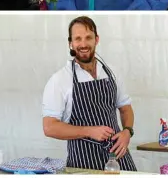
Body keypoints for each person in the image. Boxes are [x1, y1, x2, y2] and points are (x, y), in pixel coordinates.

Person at [42, 16, 137, 171]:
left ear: (96, 39)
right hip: (83, 162)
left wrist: (127, 131)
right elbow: (49, 127)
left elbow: (125, 107)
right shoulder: (59, 80)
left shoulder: (111, 72)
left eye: (88, 38)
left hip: (119, 158)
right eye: (78, 39)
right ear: (70, 43)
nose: (84, 44)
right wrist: (88, 131)